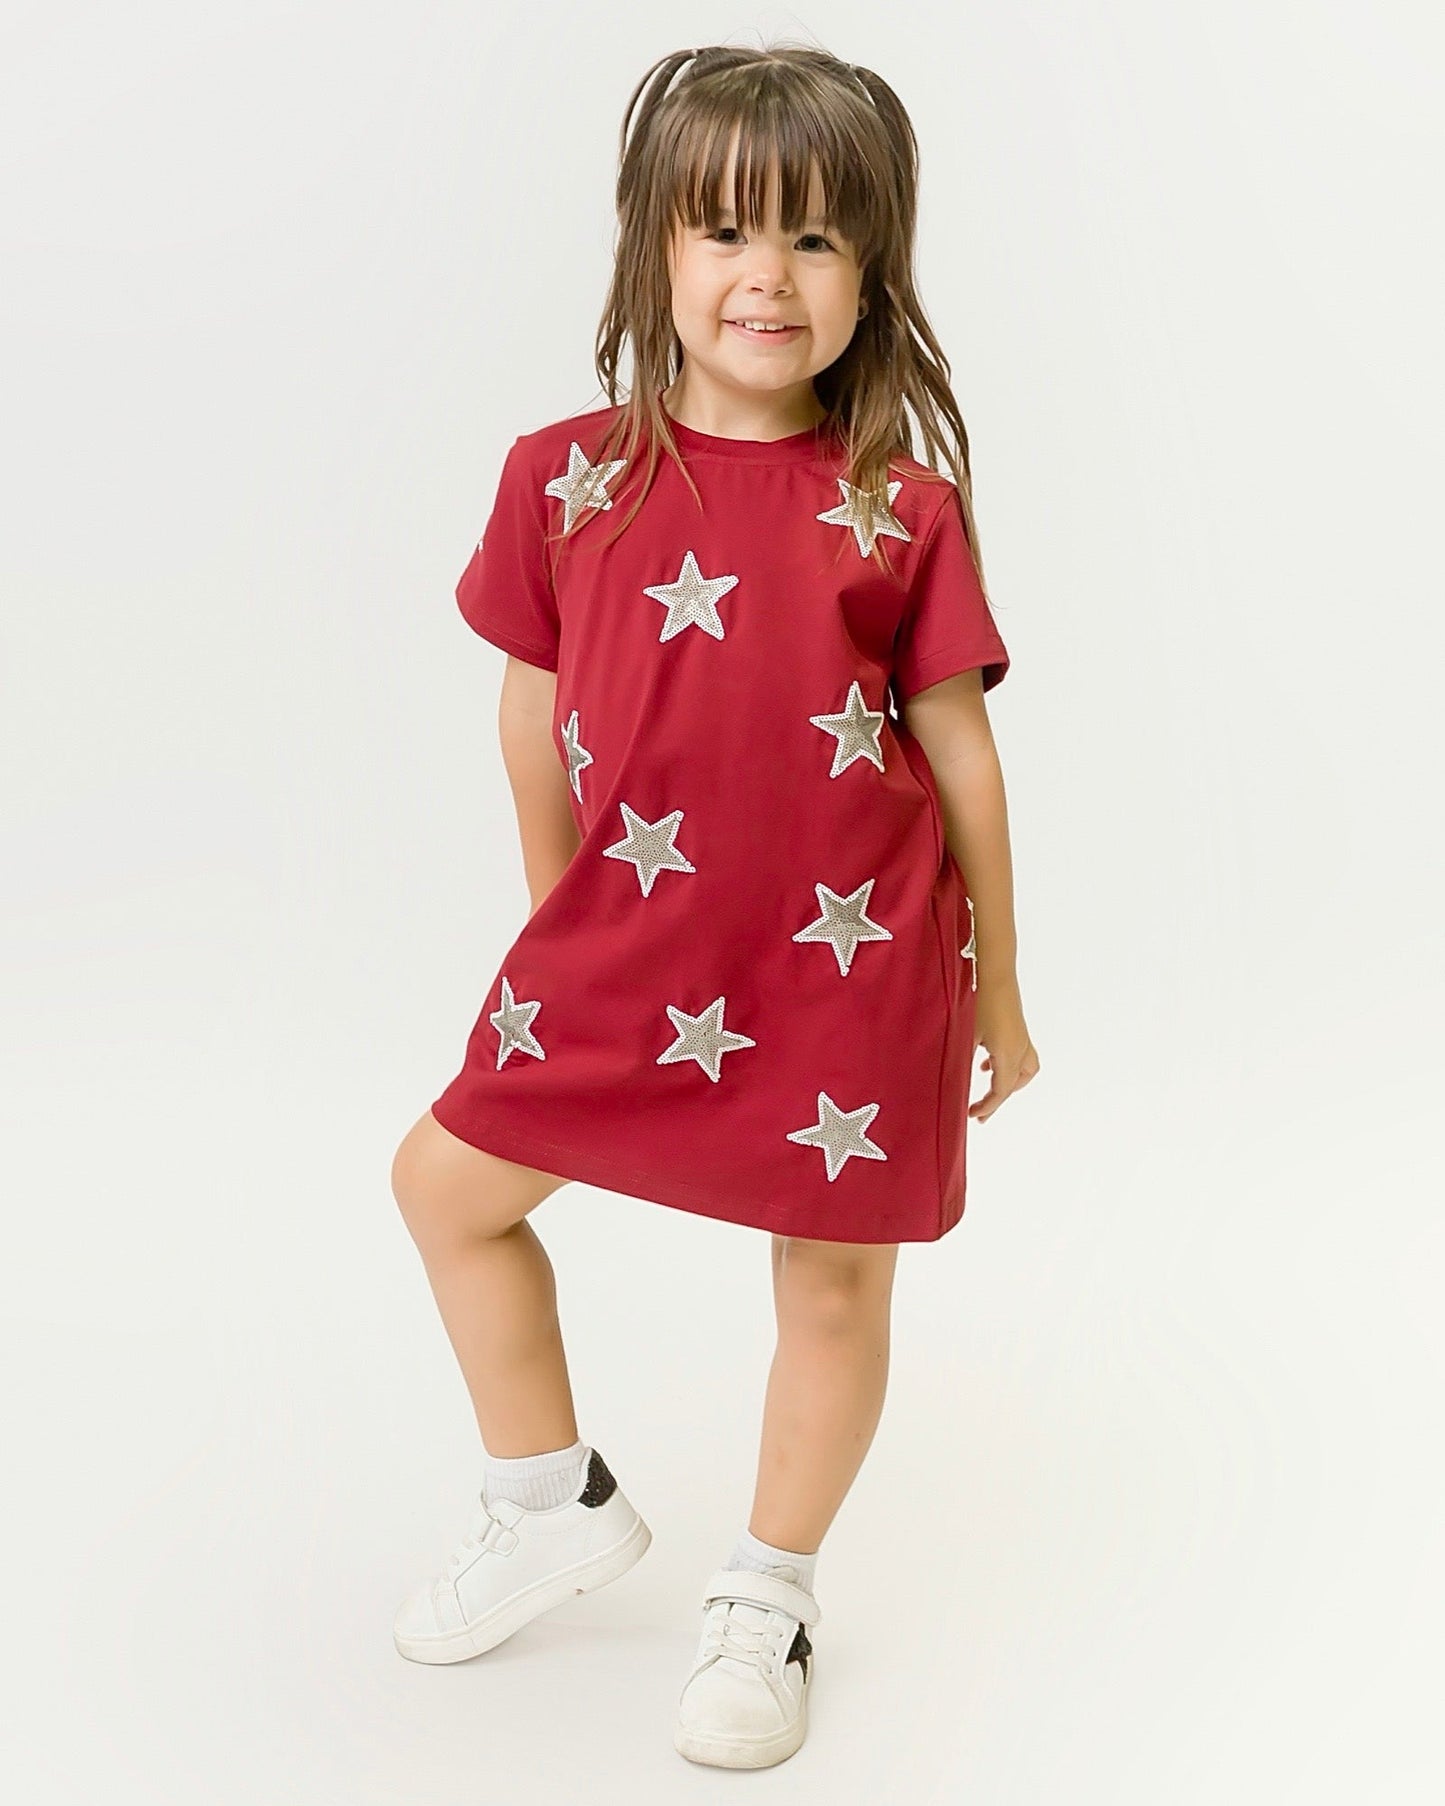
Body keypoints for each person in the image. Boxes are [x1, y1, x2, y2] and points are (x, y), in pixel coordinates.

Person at [389, 42, 1040, 1770]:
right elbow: (529, 716)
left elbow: (961, 755)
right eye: (728, 230)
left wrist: (999, 988)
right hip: (630, 951)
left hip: (855, 970)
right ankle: (547, 1496)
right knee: (445, 1186)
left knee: (828, 1284)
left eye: (817, 238)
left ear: (871, 272)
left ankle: (767, 1591)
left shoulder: (899, 507)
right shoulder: (561, 478)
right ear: (653, 249)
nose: (769, 276)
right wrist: (561, 919)